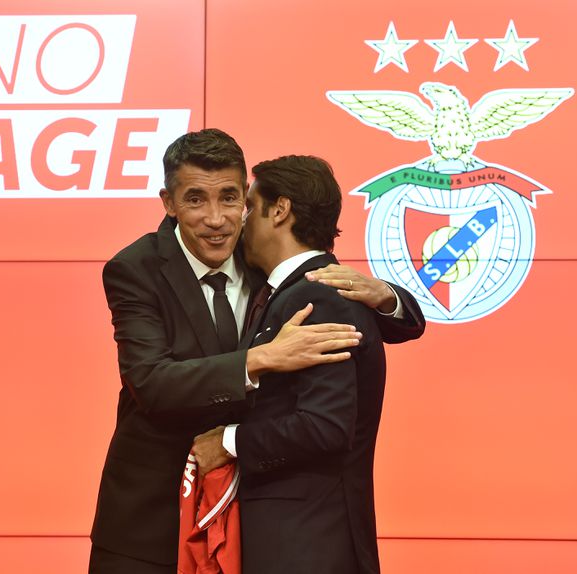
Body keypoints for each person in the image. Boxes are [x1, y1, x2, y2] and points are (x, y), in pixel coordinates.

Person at [89, 130, 424, 573]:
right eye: (195, 200)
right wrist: (260, 360)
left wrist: (387, 296)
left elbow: (344, 304)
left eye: (230, 199)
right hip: (151, 524)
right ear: (168, 202)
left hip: (250, 528)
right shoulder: (136, 270)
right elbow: (152, 382)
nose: (216, 219)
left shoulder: (260, 254)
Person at [193, 155, 392, 573]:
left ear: (279, 210)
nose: (239, 221)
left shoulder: (318, 296)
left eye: (248, 206)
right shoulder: (292, 293)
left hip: (307, 547)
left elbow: (325, 425)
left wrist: (228, 441)